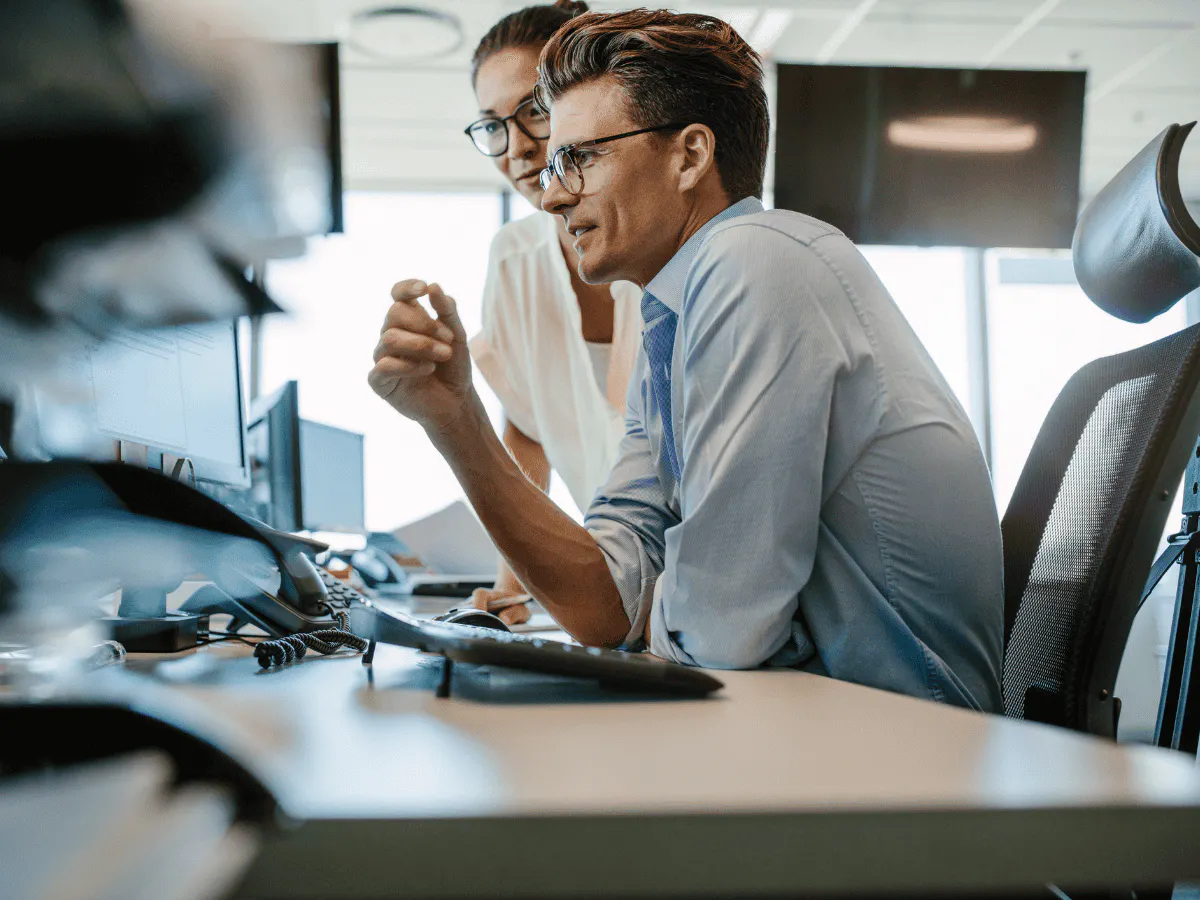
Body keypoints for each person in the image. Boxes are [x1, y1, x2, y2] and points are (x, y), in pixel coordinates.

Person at [369, 9, 1005, 710]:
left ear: (690, 156)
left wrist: (653, 617)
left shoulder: (757, 262)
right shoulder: (667, 326)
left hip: (905, 736)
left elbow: (720, 634)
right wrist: (454, 421)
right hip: (811, 717)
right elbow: (606, 605)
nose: (550, 195)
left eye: (578, 158)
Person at [462, 0, 642, 625]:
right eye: (492, 125)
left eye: (535, 111)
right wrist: (513, 583)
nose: (516, 148)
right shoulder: (514, 261)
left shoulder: (667, 243)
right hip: (619, 593)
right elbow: (527, 425)